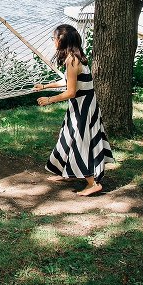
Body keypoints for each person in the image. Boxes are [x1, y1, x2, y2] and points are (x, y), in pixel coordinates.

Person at [33, 24, 113, 196]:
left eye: (53, 38)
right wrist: (45, 86)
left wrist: (49, 99)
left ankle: (93, 183)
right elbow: (66, 81)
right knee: (67, 136)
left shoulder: (72, 60)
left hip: (83, 106)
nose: (53, 42)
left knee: (80, 141)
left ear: (61, 40)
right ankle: (66, 172)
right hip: (83, 103)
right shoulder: (76, 57)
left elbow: (70, 91)